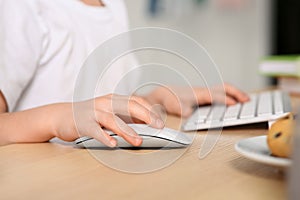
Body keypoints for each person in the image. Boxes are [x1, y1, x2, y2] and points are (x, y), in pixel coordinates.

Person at [0, 0, 249, 147]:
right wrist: (56, 118)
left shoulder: (114, 5)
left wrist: (155, 99)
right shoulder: (21, 7)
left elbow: (101, 104)